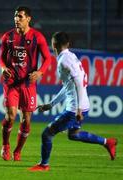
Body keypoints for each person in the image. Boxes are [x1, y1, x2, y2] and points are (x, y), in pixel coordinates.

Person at [28, 32, 118, 171]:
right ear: (68, 44)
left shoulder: (64, 60)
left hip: (75, 108)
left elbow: (78, 84)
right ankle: (107, 142)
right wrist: (51, 104)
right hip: (81, 105)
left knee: (47, 133)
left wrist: (78, 109)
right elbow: (69, 86)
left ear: (53, 45)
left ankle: (43, 165)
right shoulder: (71, 56)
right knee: (74, 135)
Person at [0, 6, 51, 161]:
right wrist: (3, 68)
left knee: (26, 120)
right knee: (11, 116)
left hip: (28, 84)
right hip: (11, 82)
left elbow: (48, 58)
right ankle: (5, 145)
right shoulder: (7, 36)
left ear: (28, 18)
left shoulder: (38, 37)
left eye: (20, 16)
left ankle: (18, 150)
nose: (17, 19)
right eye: (15, 16)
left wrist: (40, 72)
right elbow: (1, 57)